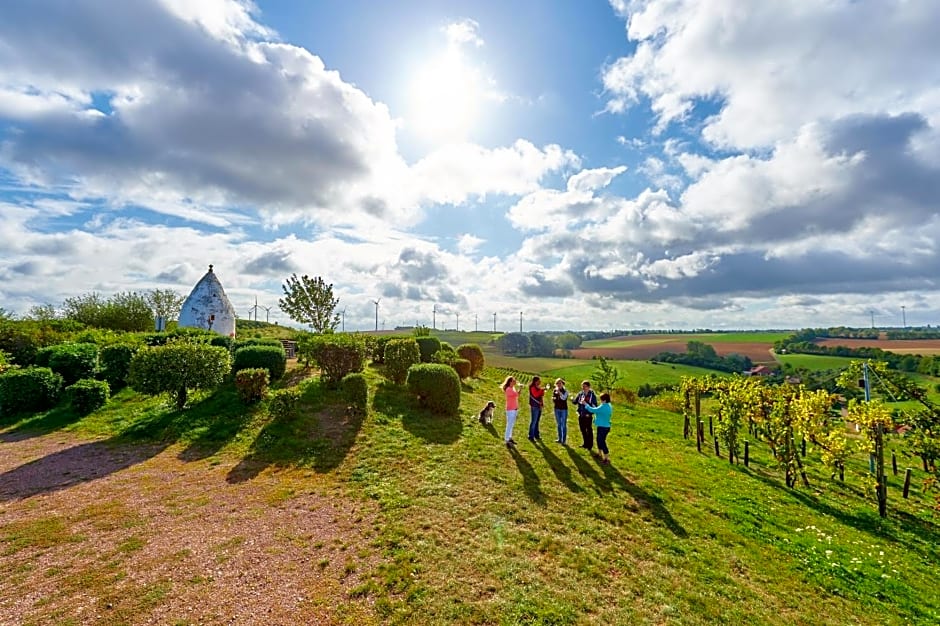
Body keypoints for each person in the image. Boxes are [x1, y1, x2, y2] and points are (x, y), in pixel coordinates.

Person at [584, 392, 613, 464]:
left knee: (602, 442)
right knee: (598, 440)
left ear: (605, 400)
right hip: (603, 426)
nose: (601, 401)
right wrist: (595, 407)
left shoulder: (604, 406)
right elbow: (598, 410)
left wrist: (586, 404)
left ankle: (606, 458)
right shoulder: (607, 405)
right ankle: (599, 453)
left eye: (601, 400)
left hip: (603, 427)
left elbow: (593, 410)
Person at [572, 380, 598, 450]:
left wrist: (589, 413)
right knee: (582, 429)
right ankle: (585, 443)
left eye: (585, 386)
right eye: (582, 386)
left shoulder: (592, 395)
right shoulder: (580, 394)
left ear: (589, 387)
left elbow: (595, 406)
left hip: (588, 415)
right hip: (581, 414)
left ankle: (590, 445)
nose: (583, 388)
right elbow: (575, 401)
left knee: (588, 430)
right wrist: (572, 399)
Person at [502, 375, 520, 448]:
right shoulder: (509, 389)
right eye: (513, 381)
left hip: (514, 408)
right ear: (509, 382)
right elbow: (517, 395)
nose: (514, 382)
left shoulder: (512, 388)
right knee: (509, 424)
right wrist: (520, 388)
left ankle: (510, 438)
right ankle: (506, 440)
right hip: (510, 409)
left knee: (511, 424)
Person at [527, 376, 545, 442]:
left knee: (537, 421)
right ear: (535, 381)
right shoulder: (532, 387)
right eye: (538, 381)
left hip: (538, 405)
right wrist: (541, 390)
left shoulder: (538, 387)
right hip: (534, 405)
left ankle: (536, 434)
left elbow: (541, 395)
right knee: (534, 421)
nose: (540, 382)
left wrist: (542, 403)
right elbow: (535, 395)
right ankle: (530, 435)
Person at [551, 378, 569, 444]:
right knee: (559, 424)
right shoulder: (554, 390)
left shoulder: (565, 391)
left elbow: (564, 398)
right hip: (557, 408)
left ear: (562, 384)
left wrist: (559, 393)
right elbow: (554, 398)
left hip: (564, 409)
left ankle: (564, 440)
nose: (559, 384)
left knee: (563, 425)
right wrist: (553, 398)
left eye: (560, 383)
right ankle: (559, 438)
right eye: (557, 383)